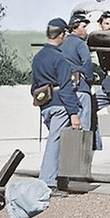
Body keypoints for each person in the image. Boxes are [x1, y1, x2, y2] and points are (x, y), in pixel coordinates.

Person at [30, 18, 81, 192]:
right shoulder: (60, 59)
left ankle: (61, 182)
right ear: (61, 35)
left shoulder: (38, 58)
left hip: (46, 106)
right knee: (56, 143)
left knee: (60, 143)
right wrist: (74, 113)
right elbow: (67, 88)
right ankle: (48, 182)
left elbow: (33, 87)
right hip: (60, 106)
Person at [59, 13, 96, 148]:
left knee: (69, 126)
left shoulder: (62, 44)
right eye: (84, 27)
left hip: (67, 89)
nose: (85, 30)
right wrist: (90, 79)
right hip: (82, 88)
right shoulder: (80, 44)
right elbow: (87, 63)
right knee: (84, 126)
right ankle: (82, 158)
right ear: (75, 28)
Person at [91, 11, 110, 151]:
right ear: (100, 24)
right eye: (107, 24)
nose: (109, 27)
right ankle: (97, 146)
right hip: (108, 85)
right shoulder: (99, 39)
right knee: (89, 107)